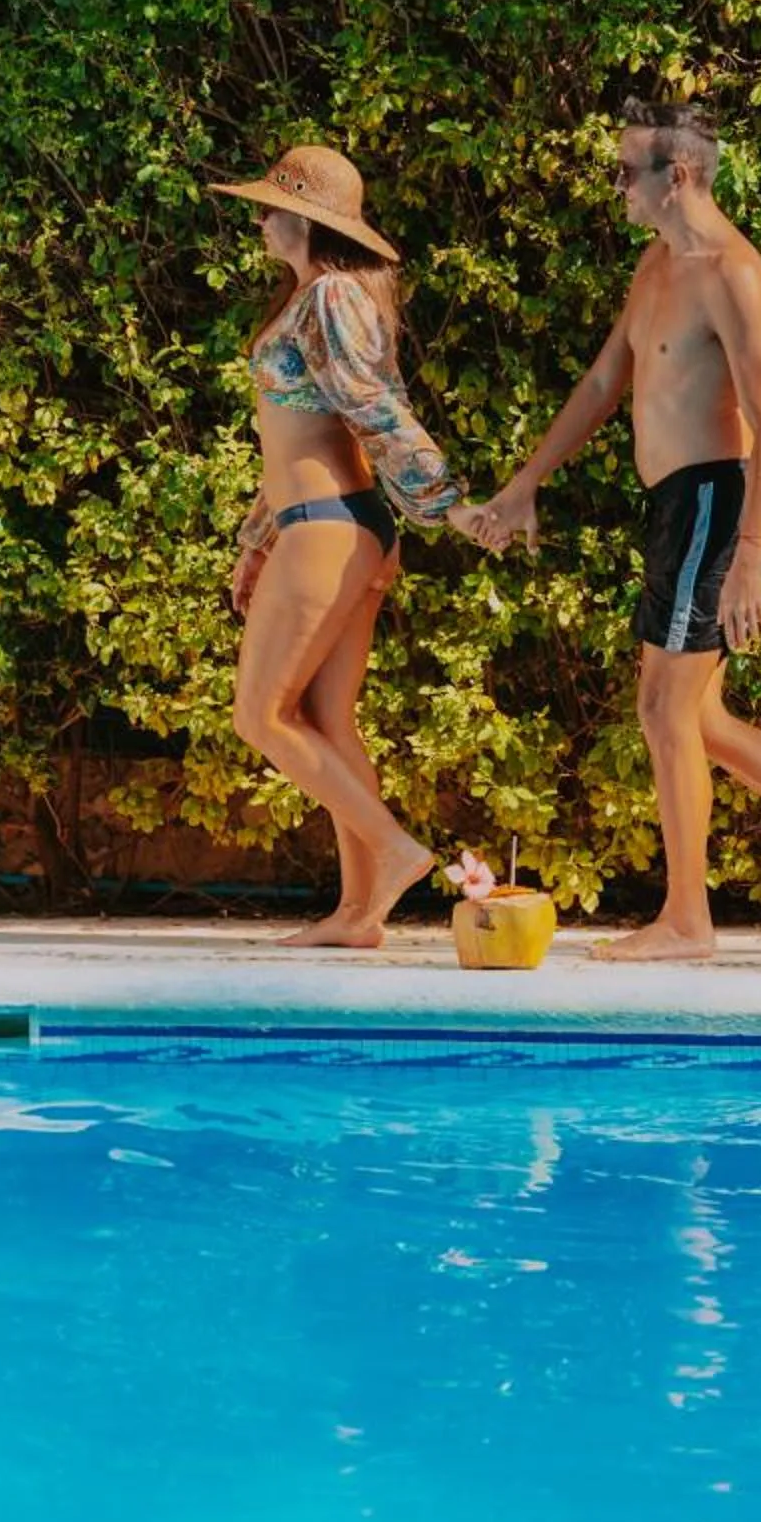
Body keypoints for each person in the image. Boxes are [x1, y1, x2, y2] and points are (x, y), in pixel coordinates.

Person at [468, 98, 761, 961]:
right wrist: (523, 486)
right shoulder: (656, 268)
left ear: (682, 174)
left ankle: (687, 921)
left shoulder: (733, 273)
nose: (617, 188)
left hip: (713, 501)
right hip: (673, 507)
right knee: (693, 717)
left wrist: (750, 561)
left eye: (628, 172)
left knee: (664, 710)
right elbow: (600, 385)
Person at [214, 141, 479, 948]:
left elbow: (374, 411)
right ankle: (358, 915)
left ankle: (396, 851)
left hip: (327, 528)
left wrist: (449, 504)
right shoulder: (317, 299)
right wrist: (258, 540)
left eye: (269, 208)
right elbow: (301, 435)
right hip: (334, 524)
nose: (258, 220)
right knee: (328, 721)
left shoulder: (329, 297)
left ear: (302, 219)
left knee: (260, 717)